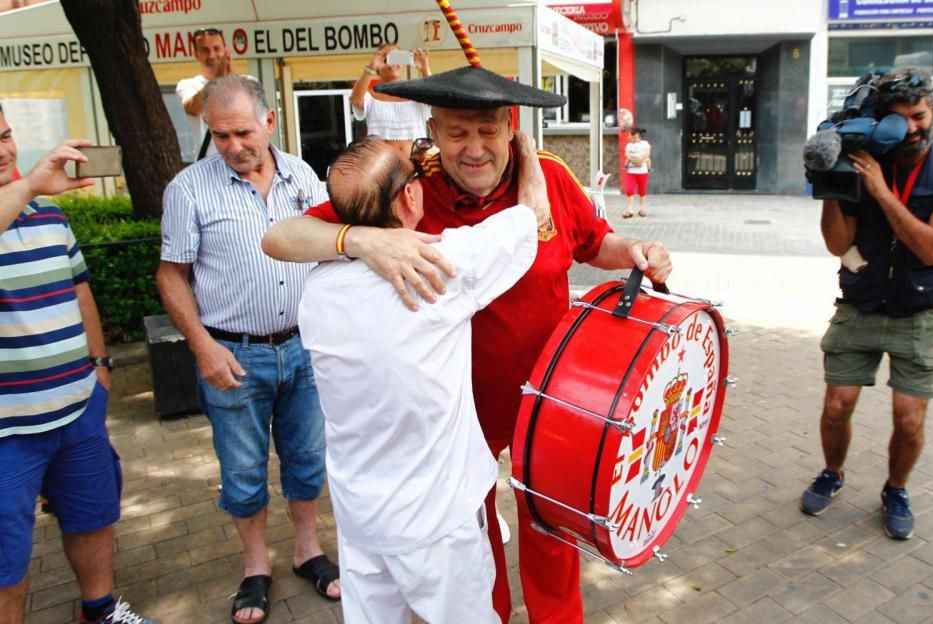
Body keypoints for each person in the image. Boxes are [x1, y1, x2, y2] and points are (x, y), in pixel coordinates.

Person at [262, 64, 672, 623]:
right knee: (475, 540)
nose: (474, 148)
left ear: (510, 127)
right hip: (457, 415)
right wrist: (359, 240)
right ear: (433, 130)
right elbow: (280, 237)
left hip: (549, 398)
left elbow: (593, 242)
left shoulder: (547, 174)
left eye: (487, 130)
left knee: (551, 524)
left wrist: (637, 250)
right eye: (457, 133)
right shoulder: (407, 186)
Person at [298, 132, 548, 623]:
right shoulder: (443, 266)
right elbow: (534, 217)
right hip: (438, 521)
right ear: (411, 196)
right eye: (415, 170)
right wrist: (524, 147)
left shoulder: (317, 289)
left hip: (361, 517)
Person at [155, 75, 340, 624]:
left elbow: (331, 252)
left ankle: (308, 549)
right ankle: (255, 567)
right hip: (234, 355)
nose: (233, 146)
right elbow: (170, 276)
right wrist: (202, 347)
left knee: (308, 459)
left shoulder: (305, 177)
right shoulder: (189, 189)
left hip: (306, 350)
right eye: (220, 136)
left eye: (241, 132)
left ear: (269, 121)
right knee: (242, 470)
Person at [800, 69, 933, 540]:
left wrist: (881, 190)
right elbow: (838, 243)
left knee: (909, 416)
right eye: (898, 120)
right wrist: (832, 186)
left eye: (918, 116)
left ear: (932, 113)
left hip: (920, 312)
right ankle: (832, 473)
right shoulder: (862, 160)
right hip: (860, 303)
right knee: (837, 405)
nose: (911, 128)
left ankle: (896, 488)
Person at [0, 109, 155, 624]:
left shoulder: (47, 214)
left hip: (77, 407)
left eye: (5, 136)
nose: (3, 151)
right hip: (8, 429)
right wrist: (27, 190)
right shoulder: (25, 198)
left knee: (92, 514)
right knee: (6, 554)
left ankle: (101, 609)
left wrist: (100, 367)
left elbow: (79, 286)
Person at [351, 44, 432, 159]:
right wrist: (372, 67)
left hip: (416, 166)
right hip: (381, 167)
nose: (393, 64)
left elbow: (435, 101)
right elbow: (356, 101)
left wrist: (424, 67)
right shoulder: (371, 95)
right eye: (388, 58)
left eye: (397, 58)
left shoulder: (415, 93)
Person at [176, 27, 233, 160]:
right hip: (207, 168)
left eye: (216, 48)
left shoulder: (246, 83)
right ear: (195, 54)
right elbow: (192, 108)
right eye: (205, 50)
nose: (212, 55)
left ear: (226, 51)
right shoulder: (187, 85)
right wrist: (218, 78)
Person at [623, 127, 651, 218]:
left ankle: (641, 209)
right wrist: (635, 161)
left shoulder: (645, 144)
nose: (631, 138)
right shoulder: (628, 145)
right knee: (629, 189)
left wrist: (640, 160)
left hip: (642, 171)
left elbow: (647, 154)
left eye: (632, 136)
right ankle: (629, 210)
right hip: (631, 171)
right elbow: (627, 155)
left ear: (638, 137)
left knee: (642, 190)